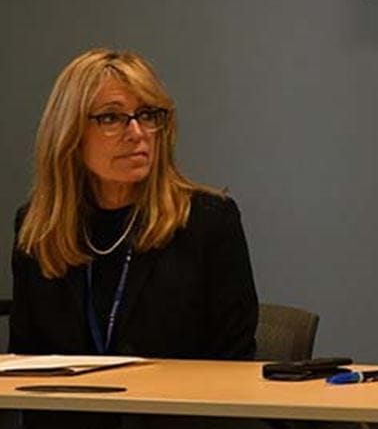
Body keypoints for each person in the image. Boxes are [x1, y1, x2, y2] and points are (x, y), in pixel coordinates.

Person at [9, 49, 258, 362]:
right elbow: (25, 366)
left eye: (147, 115)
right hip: (71, 409)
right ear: (69, 134)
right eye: (111, 117)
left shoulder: (207, 221)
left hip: (176, 409)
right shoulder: (39, 227)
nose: (137, 133)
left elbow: (233, 365)